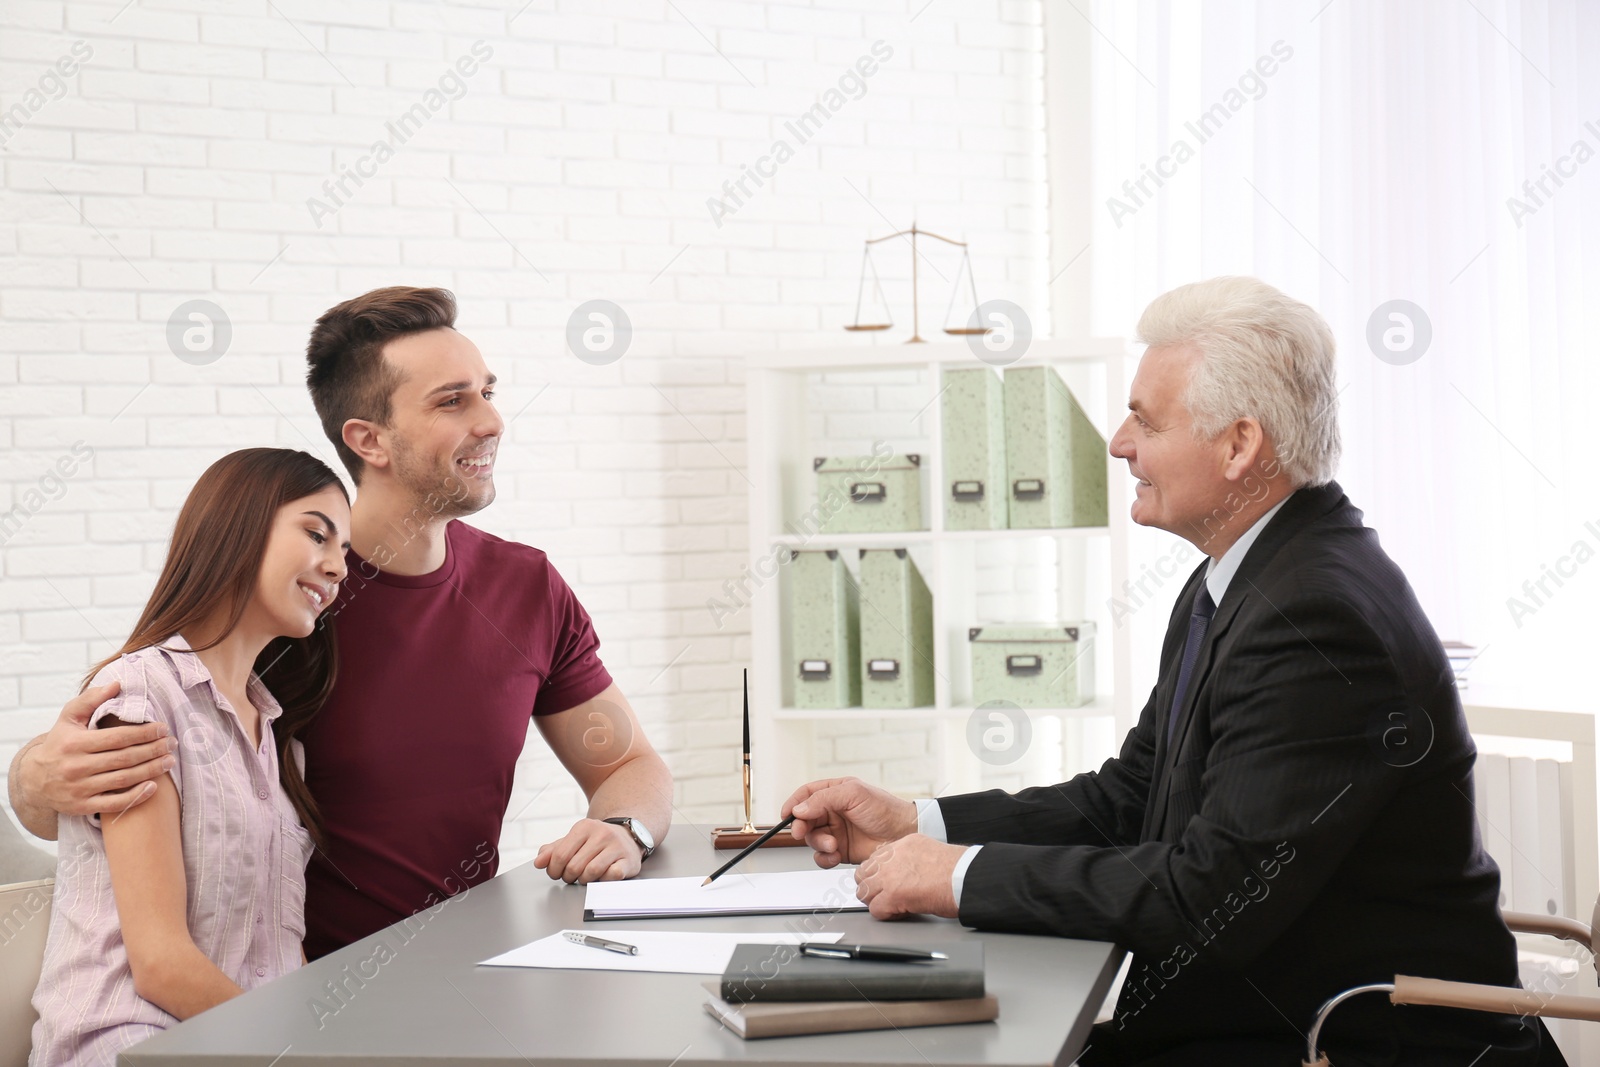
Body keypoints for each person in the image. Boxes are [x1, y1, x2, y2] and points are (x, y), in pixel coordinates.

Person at [782, 278, 1559, 1065]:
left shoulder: (1319, 619)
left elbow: (1210, 900)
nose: (1118, 442)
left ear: (1238, 445)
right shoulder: (1238, 574)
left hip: (1348, 1042)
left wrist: (957, 877)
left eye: (1145, 421)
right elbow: (1130, 797)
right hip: (1259, 1019)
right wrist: (923, 824)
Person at [10, 287, 673, 960]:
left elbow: (628, 760)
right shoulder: (290, 600)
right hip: (296, 992)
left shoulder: (529, 587)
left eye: (488, 392)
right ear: (368, 440)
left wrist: (624, 828)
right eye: (453, 400)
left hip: (469, 970)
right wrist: (33, 779)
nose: (492, 420)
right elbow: (126, 742)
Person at [30, 448, 349, 1066]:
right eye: (317, 534)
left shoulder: (277, 736)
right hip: (134, 1044)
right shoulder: (143, 696)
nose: (337, 567)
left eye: (344, 553)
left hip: (236, 1045)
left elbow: (278, 951)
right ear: (240, 525)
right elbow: (160, 966)